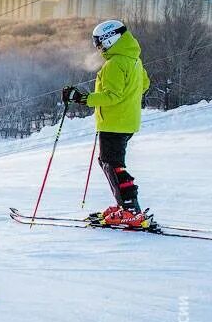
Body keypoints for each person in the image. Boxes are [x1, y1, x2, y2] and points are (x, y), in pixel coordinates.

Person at [62, 19, 151, 228]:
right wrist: (128, 100)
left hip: (114, 123)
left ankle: (130, 210)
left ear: (111, 39)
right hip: (125, 121)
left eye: (100, 43)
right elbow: (144, 84)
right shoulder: (133, 60)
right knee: (108, 162)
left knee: (112, 164)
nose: (99, 48)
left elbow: (111, 96)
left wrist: (83, 99)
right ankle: (125, 206)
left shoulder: (115, 64)